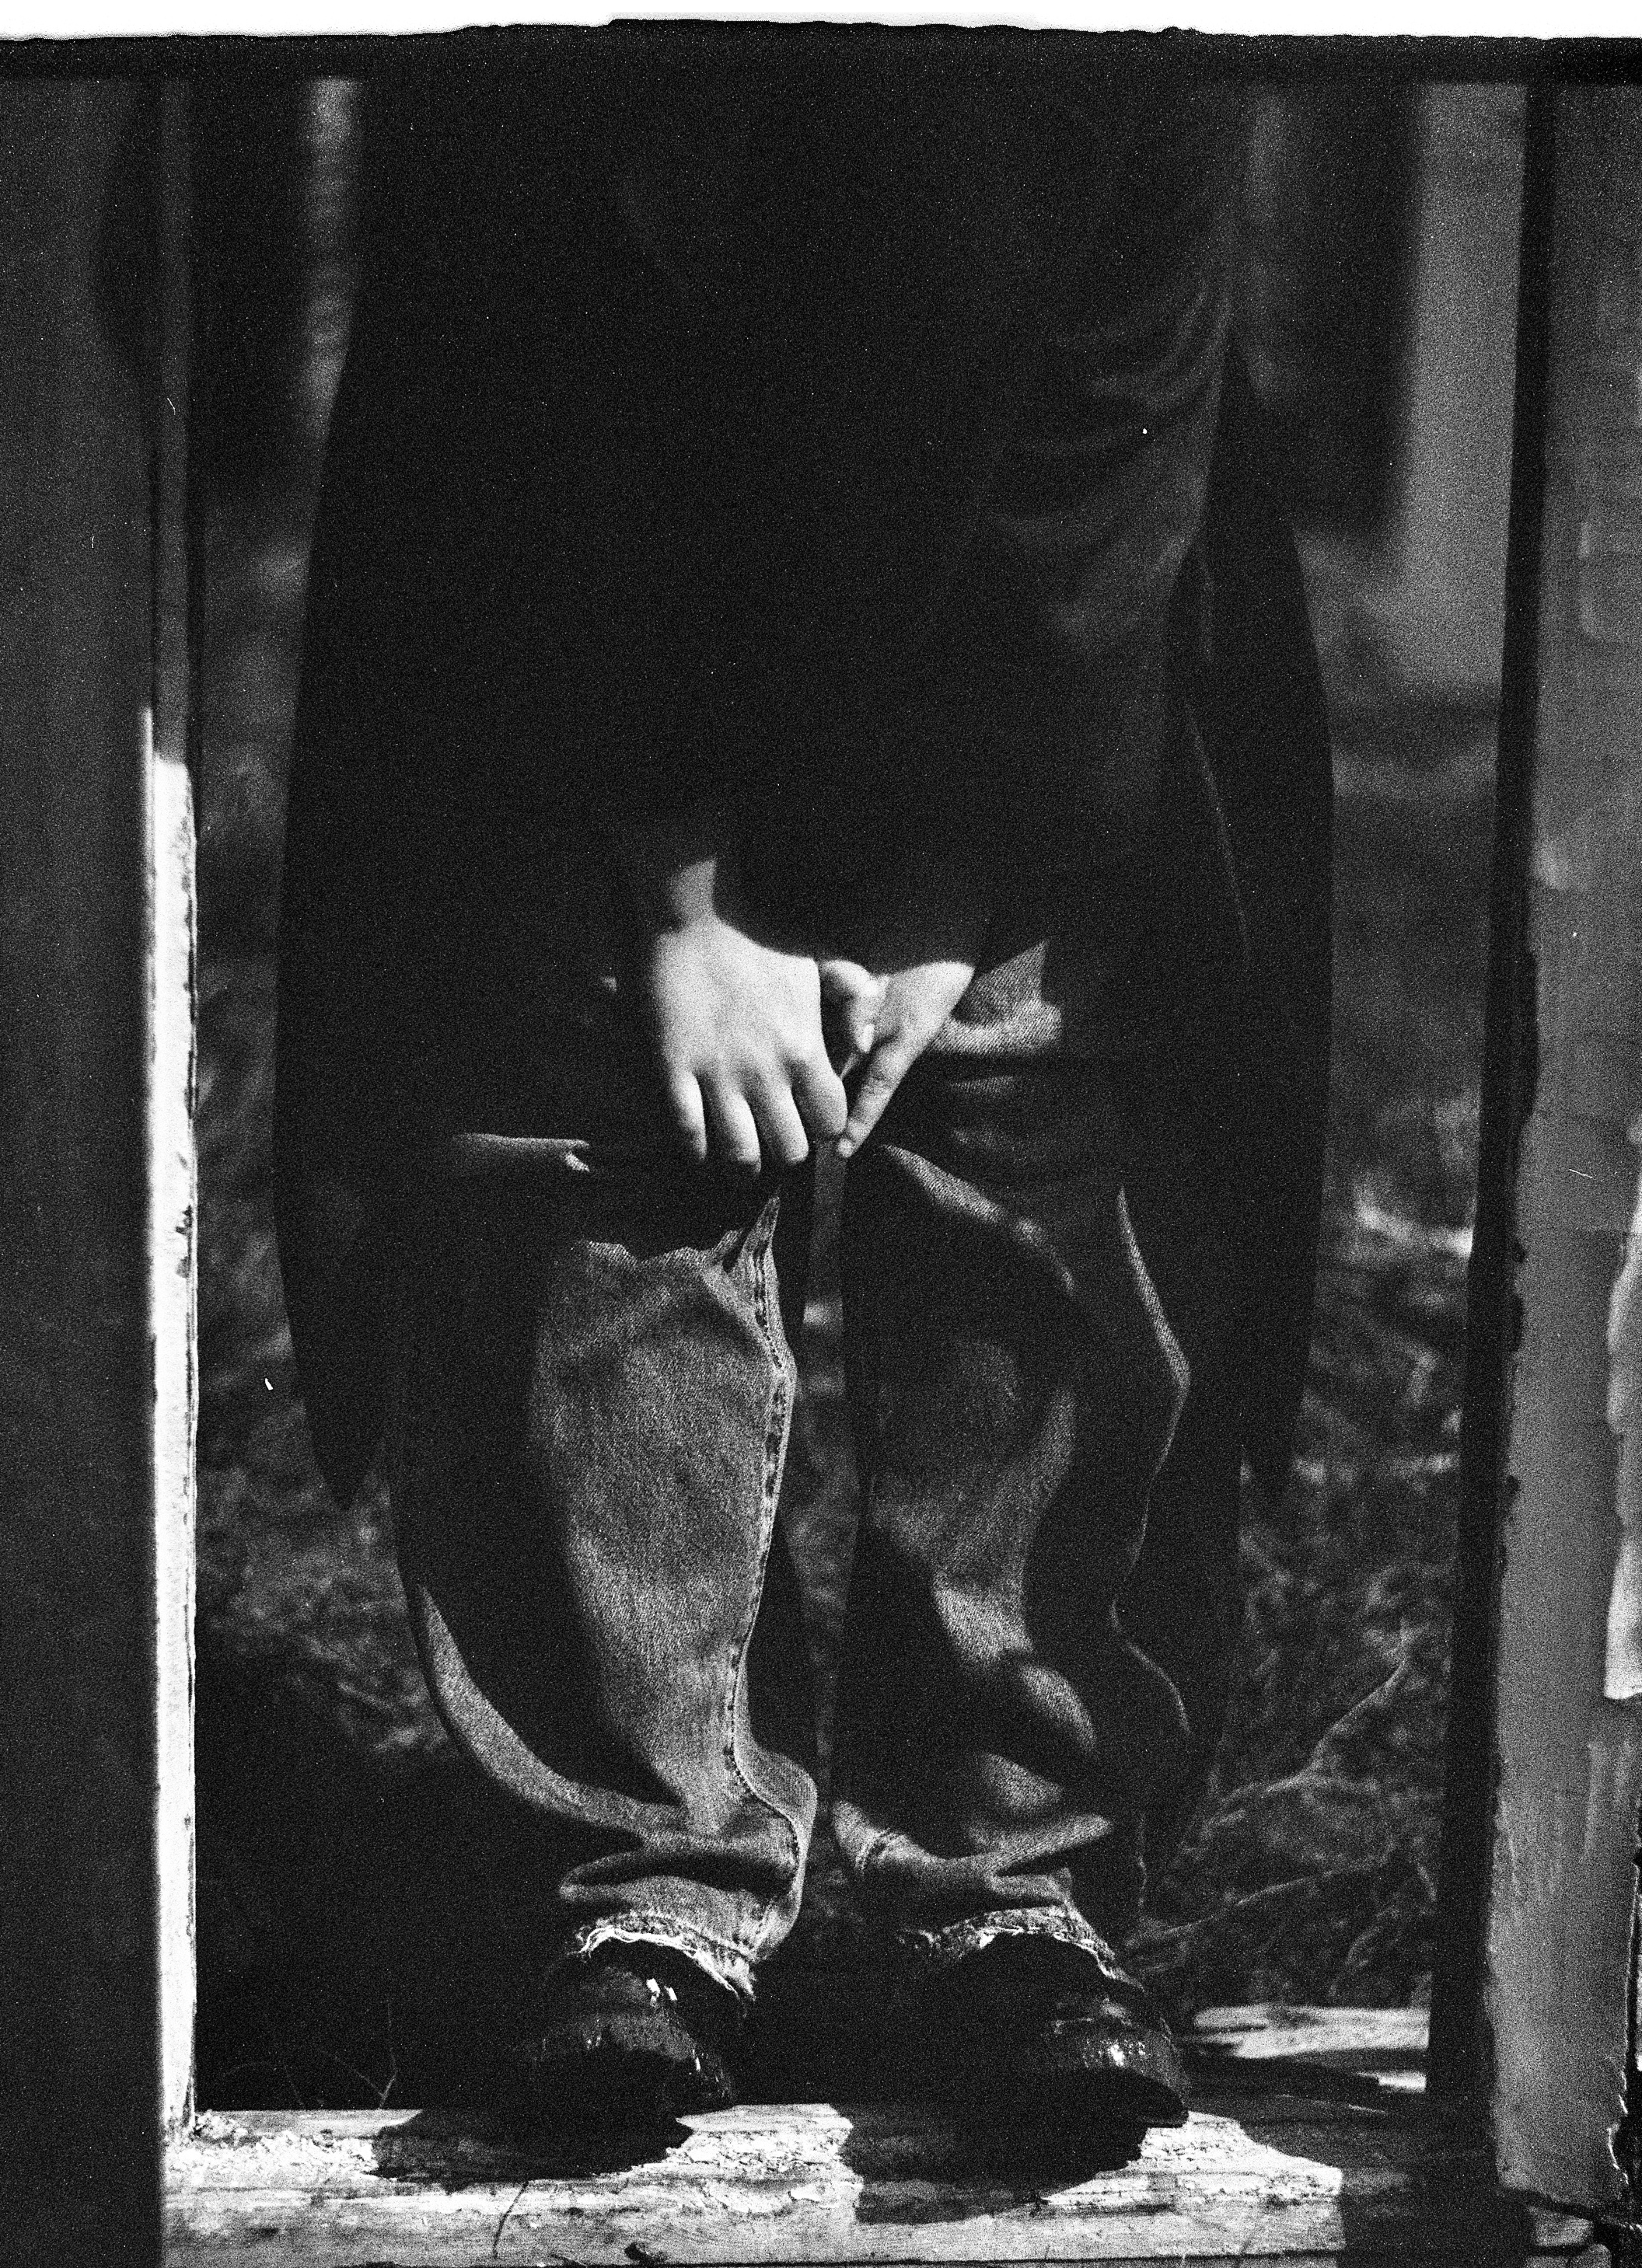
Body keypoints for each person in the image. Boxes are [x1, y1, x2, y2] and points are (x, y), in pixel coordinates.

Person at [273, 29, 1333, 2145]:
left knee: (1037, 1111)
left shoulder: (1131, 68)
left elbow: (1103, 461)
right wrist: (684, 903)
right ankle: (641, 1888)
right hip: (575, 636)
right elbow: (532, 424)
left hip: (1027, 661)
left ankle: (1010, 1886)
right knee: (598, 1134)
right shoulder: (563, 79)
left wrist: (949, 901)